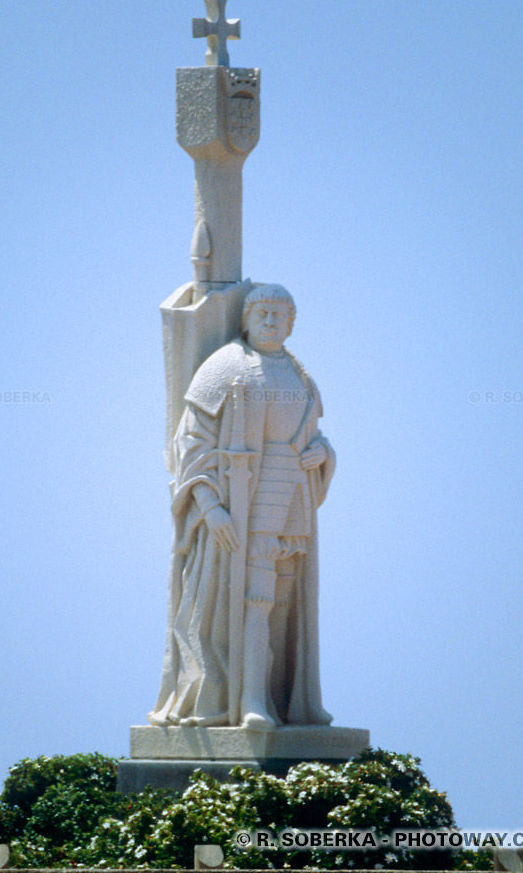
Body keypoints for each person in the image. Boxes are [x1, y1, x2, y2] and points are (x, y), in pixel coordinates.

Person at [149, 284, 335, 731]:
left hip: (293, 498)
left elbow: (315, 435)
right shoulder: (227, 367)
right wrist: (211, 506)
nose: (271, 321)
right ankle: (249, 700)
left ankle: (283, 699)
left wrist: (324, 453)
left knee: (284, 603)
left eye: (280, 314)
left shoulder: (301, 375)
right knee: (254, 598)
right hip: (244, 499)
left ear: (292, 323)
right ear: (247, 320)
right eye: (263, 313)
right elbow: (190, 443)